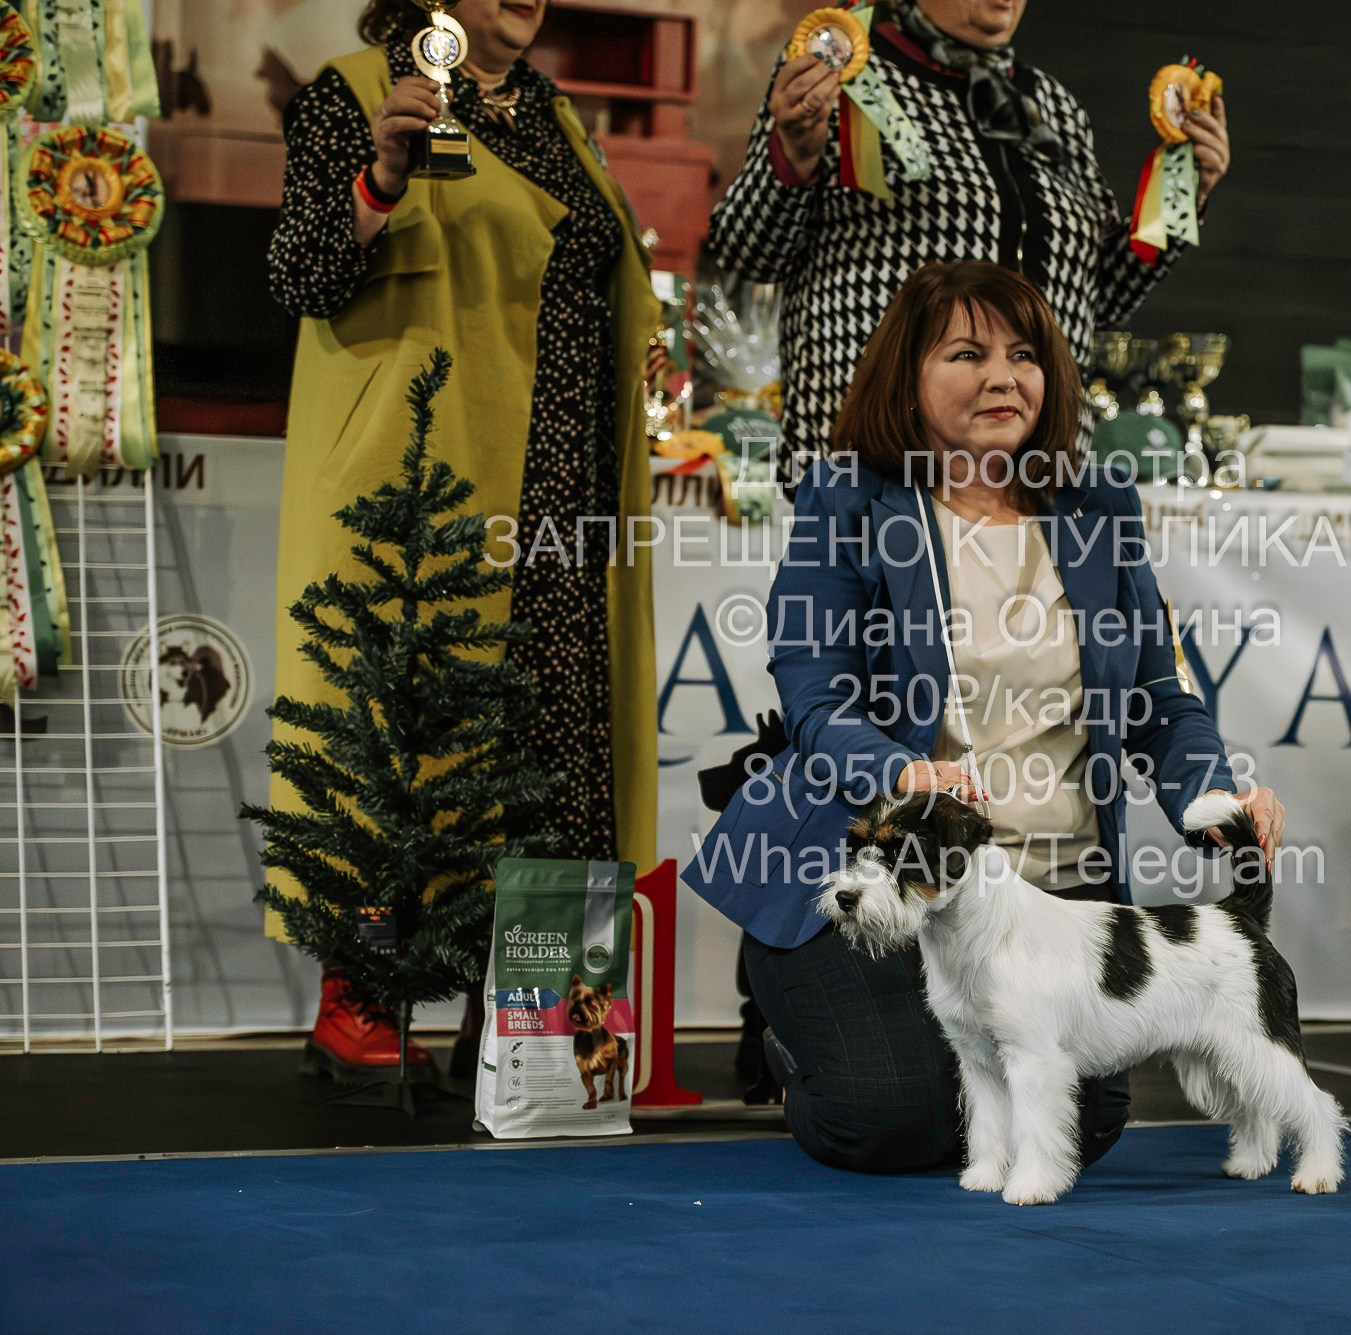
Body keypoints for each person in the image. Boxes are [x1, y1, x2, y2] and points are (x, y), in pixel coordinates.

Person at [684, 261, 1285, 1172]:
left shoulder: (1099, 507)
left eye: (1024, 355)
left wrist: (1216, 802)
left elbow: (1162, 698)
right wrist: (898, 772)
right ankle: (791, 1033)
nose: (1005, 377)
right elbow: (816, 695)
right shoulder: (848, 498)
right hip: (880, 866)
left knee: (1073, 1120)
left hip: (1051, 894)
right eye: (968, 353)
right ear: (908, 377)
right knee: (886, 1120)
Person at [264, 0, 660, 1079]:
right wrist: (379, 178)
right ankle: (368, 997)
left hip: (564, 485)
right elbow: (300, 276)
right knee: (411, 732)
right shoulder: (353, 93)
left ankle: (542, 1033)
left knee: (557, 751)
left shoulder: (551, 113)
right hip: (426, 473)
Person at [707, 0, 1231, 492]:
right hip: (881, 471)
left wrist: (1183, 192)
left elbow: (1098, 299)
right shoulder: (839, 72)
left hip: (1039, 476)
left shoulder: (1052, 105)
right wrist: (793, 156)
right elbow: (749, 251)